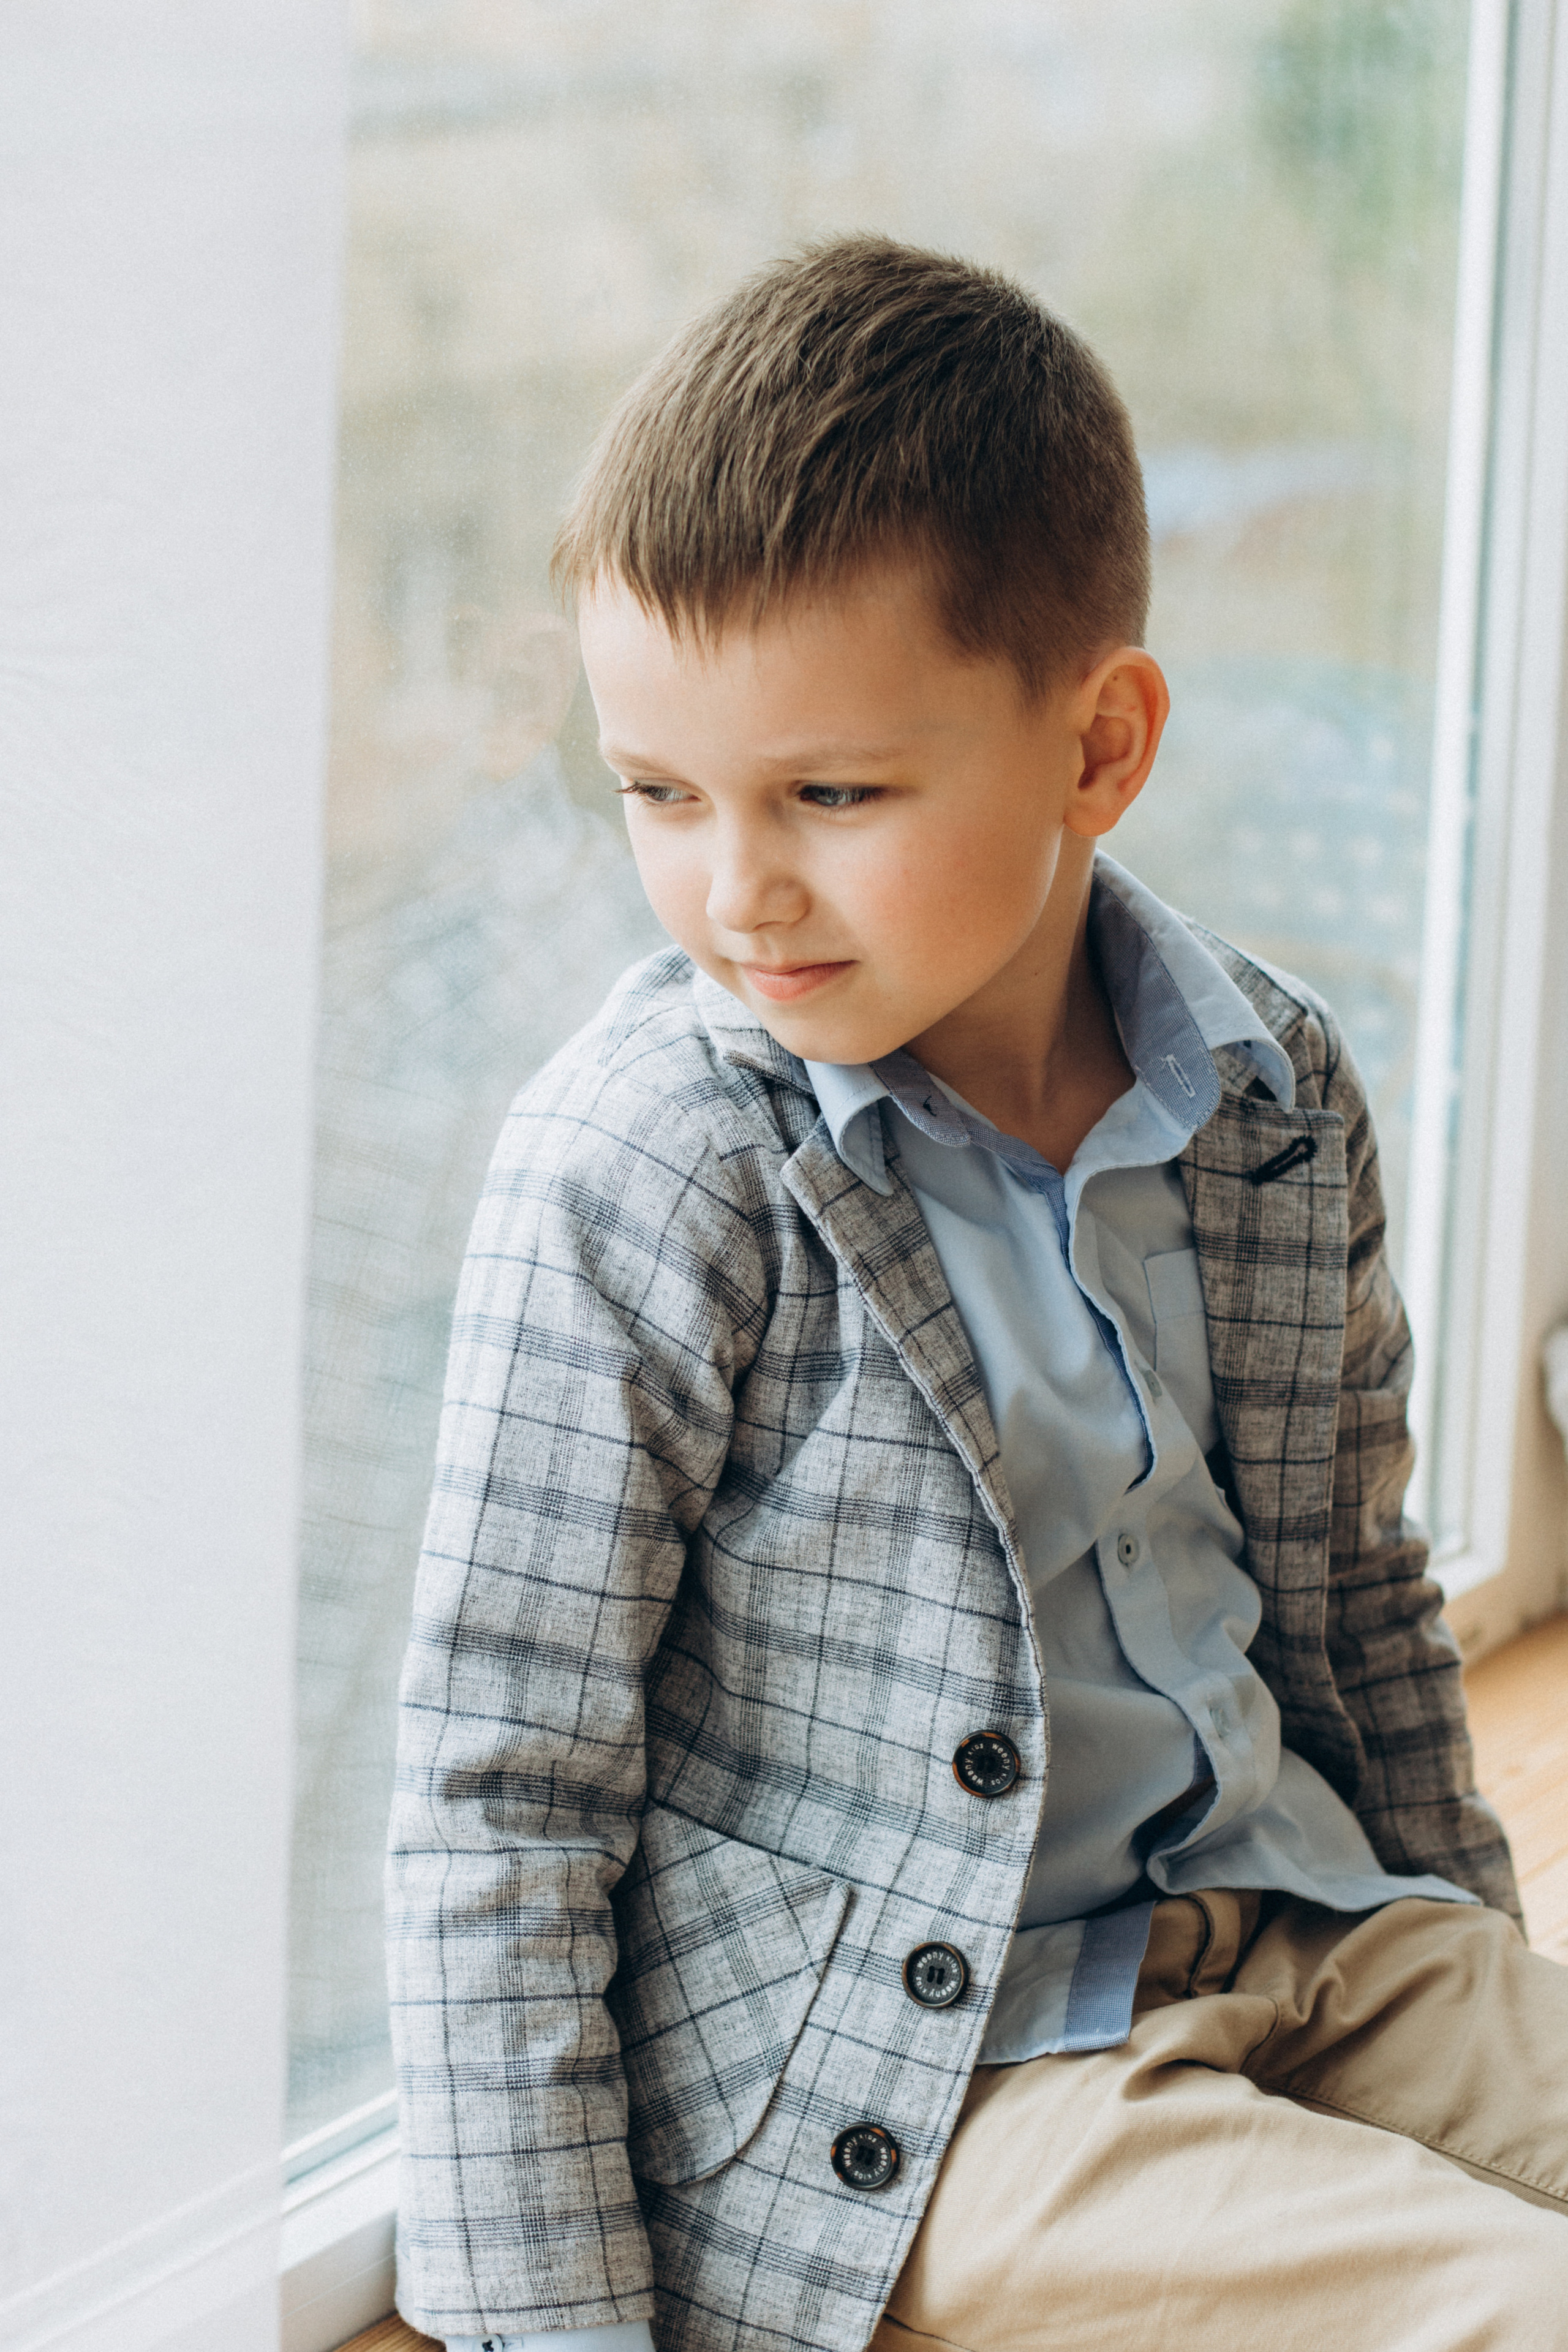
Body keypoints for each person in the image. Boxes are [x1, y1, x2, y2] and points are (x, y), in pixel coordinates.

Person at [386, 236, 1568, 2352]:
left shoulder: (1269, 1092)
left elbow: (1353, 1597)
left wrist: (1467, 1980)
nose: (735, 887)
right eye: (659, 793)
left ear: (1099, 745)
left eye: (830, 795)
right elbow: (502, 1790)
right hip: (939, 2085)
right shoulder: (645, 1173)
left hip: (1311, 1925)